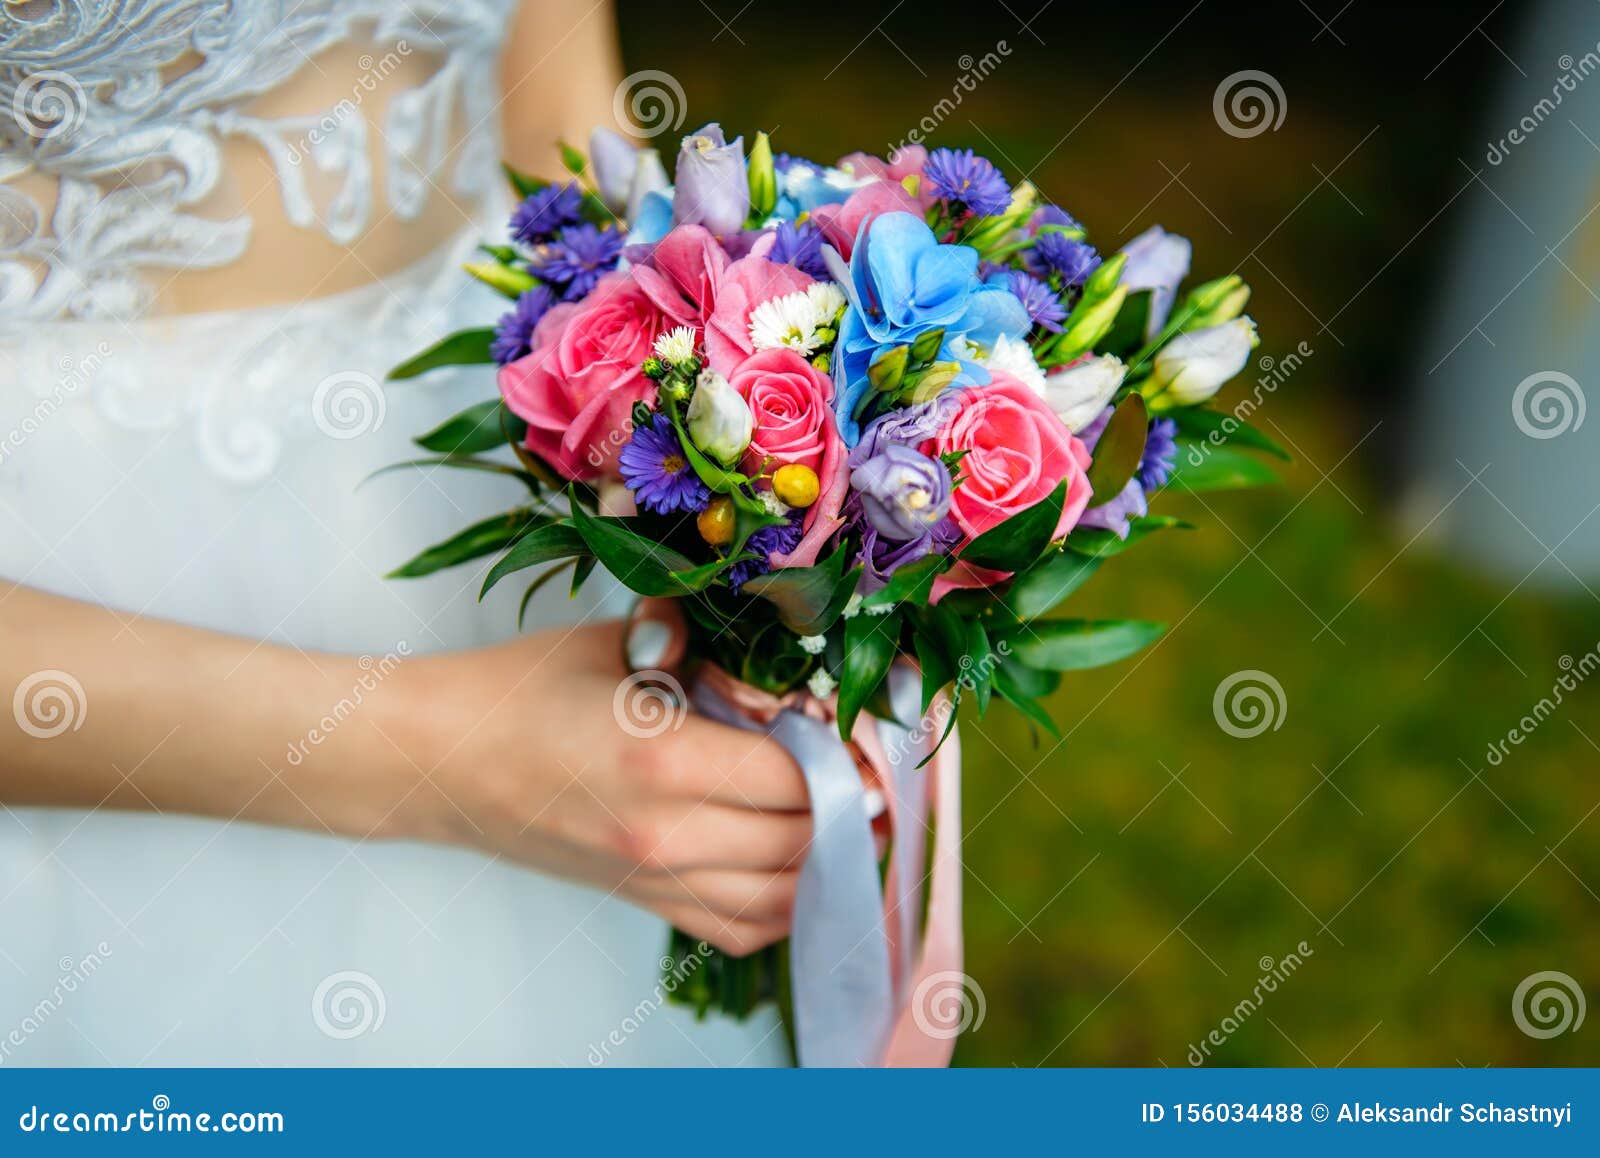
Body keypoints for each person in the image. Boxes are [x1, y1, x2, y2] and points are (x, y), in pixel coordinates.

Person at [0, 0, 802, 1065]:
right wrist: (460, 758)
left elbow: (556, 117)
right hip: (86, 623)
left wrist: (755, 512)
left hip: (496, 516)